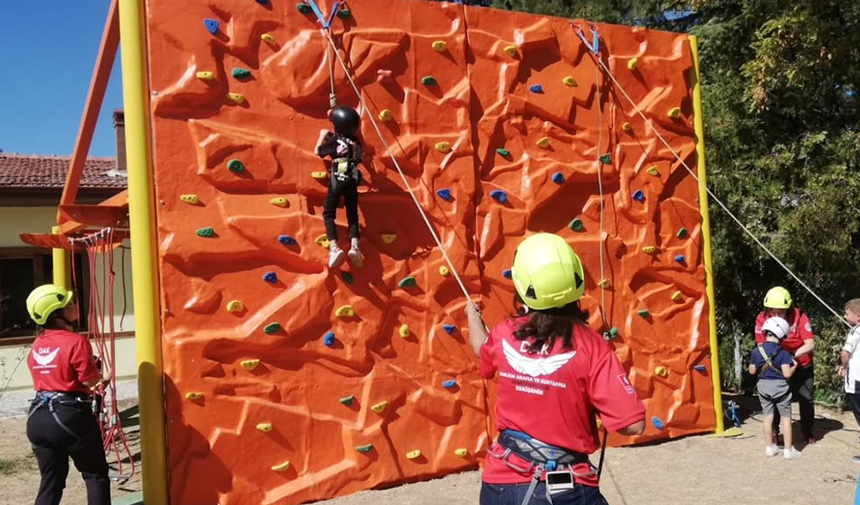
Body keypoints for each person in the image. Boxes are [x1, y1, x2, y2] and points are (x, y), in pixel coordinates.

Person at [465, 233, 645, 505]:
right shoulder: (592, 347)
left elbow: (482, 348)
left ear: (522, 285)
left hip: (501, 482)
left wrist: (471, 316)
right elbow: (633, 425)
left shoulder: (504, 334)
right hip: (565, 488)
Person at [25, 284, 110, 505]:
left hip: (38, 418)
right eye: (69, 305)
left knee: (51, 481)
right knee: (95, 474)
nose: (75, 307)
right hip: (69, 415)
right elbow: (91, 382)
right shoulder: (76, 341)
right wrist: (104, 379)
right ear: (56, 314)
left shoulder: (37, 344)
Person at [754, 286, 816, 444]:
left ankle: (807, 432)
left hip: (801, 362)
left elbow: (809, 344)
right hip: (776, 365)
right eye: (772, 312)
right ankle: (774, 433)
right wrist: (780, 360)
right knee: (774, 399)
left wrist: (792, 357)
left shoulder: (800, 317)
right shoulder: (762, 319)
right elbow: (762, 345)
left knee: (806, 398)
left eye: (780, 312)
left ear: (788, 309)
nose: (776, 315)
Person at [315, 105, 364, 269]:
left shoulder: (334, 141)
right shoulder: (356, 143)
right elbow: (359, 159)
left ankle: (334, 247)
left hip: (337, 178)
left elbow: (319, 152)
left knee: (328, 213)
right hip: (352, 179)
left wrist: (322, 136)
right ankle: (355, 247)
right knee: (352, 214)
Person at [748, 316, 802, 459]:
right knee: (785, 418)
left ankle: (770, 447)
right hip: (780, 388)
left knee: (768, 416)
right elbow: (787, 374)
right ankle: (788, 451)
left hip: (763, 387)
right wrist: (795, 366)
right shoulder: (783, 354)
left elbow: (752, 371)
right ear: (782, 334)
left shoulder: (756, 351)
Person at [839, 298, 860, 462]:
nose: (845, 317)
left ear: (858, 316)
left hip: (857, 381)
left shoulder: (855, 331)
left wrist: (844, 366)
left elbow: (845, 353)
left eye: (847, 314)